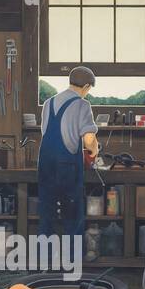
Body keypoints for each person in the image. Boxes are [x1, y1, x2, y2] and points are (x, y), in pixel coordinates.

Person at [37, 66, 100, 264]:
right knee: (72, 216)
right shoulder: (82, 105)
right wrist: (95, 150)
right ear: (87, 86)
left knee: (47, 214)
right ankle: (72, 265)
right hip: (67, 166)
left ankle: (45, 263)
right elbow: (89, 139)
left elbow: (47, 132)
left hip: (45, 164)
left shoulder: (49, 103)